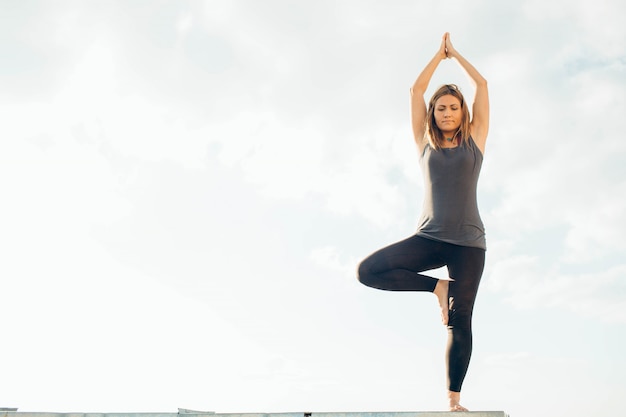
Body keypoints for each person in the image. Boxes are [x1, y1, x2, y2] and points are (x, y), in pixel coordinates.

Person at [357, 32, 489, 412]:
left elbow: (480, 85)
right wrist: (438, 55)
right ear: (433, 113)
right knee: (368, 270)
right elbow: (416, 90)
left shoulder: (475, 142)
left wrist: (456, 56)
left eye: (453, 108)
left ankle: (453, 401)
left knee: (460, 319)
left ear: (463, 113)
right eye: (440, 108)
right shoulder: (424, 143)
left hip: (468, 243)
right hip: (429, 237)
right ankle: (436, 287)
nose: (446, 113)